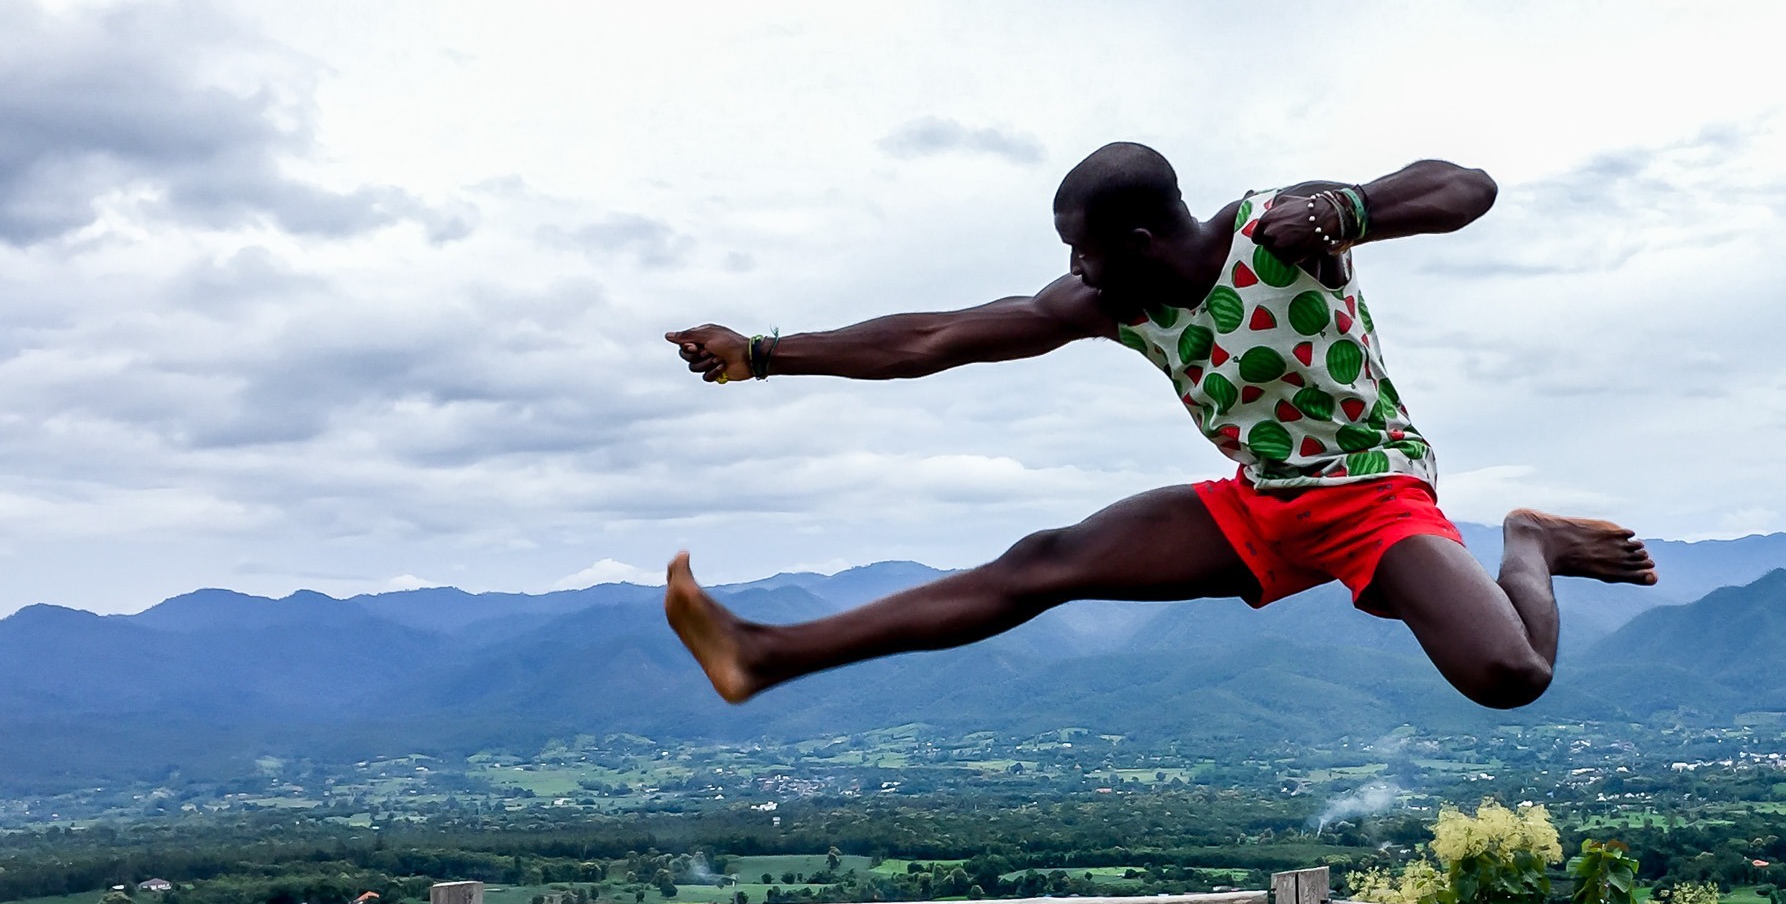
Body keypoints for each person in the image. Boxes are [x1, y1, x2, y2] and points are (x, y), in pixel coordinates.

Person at [662, 143, 1655, 710]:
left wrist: (1348, 209)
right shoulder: (1111, 302)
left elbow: (1467, 186)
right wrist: (764, 351)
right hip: (1261, 501)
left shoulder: (1276, 234)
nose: (1072, 270)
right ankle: (765, 653)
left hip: (1373, 494)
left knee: (1509, 674)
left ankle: (1530, 540)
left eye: (1081, 250)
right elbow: (937, 336)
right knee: (1042, 564)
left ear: (1139, 240)